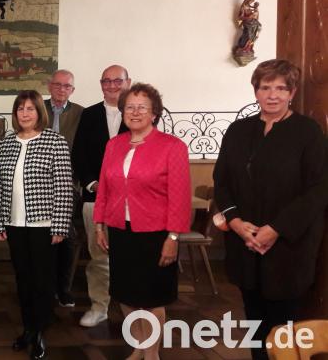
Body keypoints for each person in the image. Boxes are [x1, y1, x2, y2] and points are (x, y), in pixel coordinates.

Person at [213, 59, 327, 360]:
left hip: (288, 248)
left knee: (283, 332)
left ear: (292, 92)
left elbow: (318, 189)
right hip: (244, 243)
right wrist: (236, 222)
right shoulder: (238, 131)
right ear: (256, 91)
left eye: (280, 88)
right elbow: (221, 181)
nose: (272, 95)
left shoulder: (308, 132)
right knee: (255, 326)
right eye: (265, 87)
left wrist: (276, 229)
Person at [93, 83, 190, 360]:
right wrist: (99, 224)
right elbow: (105, 189)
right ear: (122, 111)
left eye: (142, 107)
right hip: (120, 231)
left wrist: (173, 238)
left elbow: (180, 198)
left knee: (151, 298)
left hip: (156, 234)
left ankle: (152, 353)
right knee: (125, 294)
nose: (135, 112)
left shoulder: (172, 147)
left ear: (154, 113)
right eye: (129, 107)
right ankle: (139, 345)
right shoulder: (114, 145)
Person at [0, 90, 74, 360]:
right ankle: (27, 328)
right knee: (23, 279)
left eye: (30, 108)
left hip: (44, 225)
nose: (25, 113)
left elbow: (63, 188)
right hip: (14, 223)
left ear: (40, 111)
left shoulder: (55, 141)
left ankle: (39, 331)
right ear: (15, 114)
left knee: (42, 281)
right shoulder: (6, 143)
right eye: (20, 109)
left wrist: (60, 226)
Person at [71, 64, 130, 327]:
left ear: (128, 82)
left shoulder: (139, 113)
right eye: (106, 81)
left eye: (117, 80)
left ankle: (132, 308)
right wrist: (92, 184)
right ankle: (99, 306)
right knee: (99, 257)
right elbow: (79, 154)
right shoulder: (90, 114)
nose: (112, 85)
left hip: (132, 202)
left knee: (130, 256)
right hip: (95, 199)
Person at [44, 69, 83, 307]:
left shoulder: (81, 113)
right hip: (40, 184)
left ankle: (64, 288)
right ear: (49, 86)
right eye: (57, 85)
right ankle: (46, 287)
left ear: (72, 90)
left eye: (66, 86)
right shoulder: (37, 108)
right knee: (44, 238)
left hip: (68, 184)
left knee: (67, 237)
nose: (61, 89)